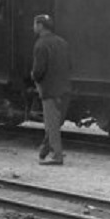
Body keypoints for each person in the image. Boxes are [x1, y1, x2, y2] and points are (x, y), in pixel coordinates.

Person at [31, 14, 71, 166]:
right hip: (65, 88)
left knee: (51, 125)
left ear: (40, 26)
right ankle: (44, 150)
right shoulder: (62, 42)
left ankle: (57, 156)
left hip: (50, 90)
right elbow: (69, 65)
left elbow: (38, 71)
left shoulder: (41, 44)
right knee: (54, 123)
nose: (33, 27)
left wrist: (34, 76)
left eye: (35, 24)